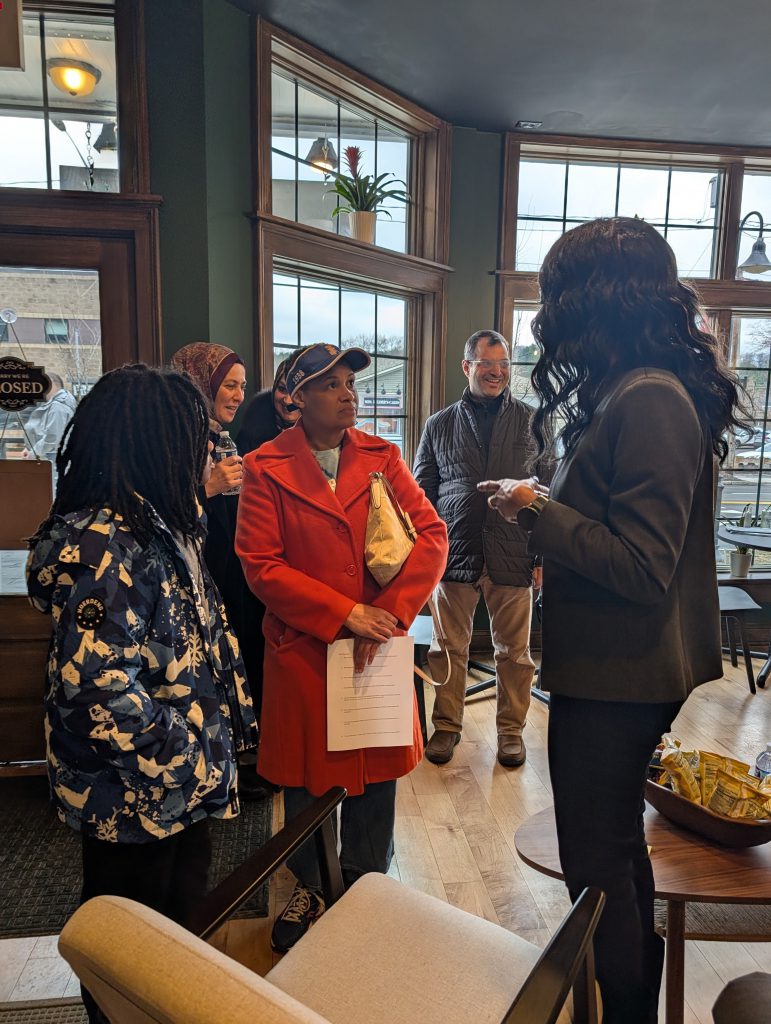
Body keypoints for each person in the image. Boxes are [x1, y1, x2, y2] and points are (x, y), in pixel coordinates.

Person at [480, 217, 742, 1024]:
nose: (547, 315)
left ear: (596, 301)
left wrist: (537, 513)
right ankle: (627, 1001)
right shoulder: (636, 387)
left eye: (557, 295)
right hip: (610, 669)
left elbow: (639, 565)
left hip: (622, 674)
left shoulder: (652, 397)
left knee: (596, 857)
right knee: (612, 847)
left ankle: (622, 1008)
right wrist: (547, 512)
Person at [26, 364, 258, 1024]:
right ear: (154, 442)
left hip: (174, 787)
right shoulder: (106, 542)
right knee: (128, 949)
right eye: (192, 436)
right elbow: (96, 688)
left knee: (176, 937)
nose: (206, 448)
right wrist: (186, 752)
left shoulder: (162, 525)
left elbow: (192, 640)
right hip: (132, 794)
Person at [235, 342, 447, 953]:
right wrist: (343, 613)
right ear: (294, 398)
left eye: (350, 381)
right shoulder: (264, 467)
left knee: (376, 774)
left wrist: (386, 612)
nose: (349, 392)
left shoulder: (384, 458)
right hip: (306, 650)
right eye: (330, 384)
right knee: (306, 779)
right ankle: (312, 886)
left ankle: (366, 882)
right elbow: (261, 565)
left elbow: (431, 536)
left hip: (376, 646)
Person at [413, 329, 542, 768]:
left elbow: (549, 493)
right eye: (487, 364)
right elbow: (420, 495)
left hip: (515, 552)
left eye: (504, 364)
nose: (497, 372)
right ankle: (446, 728)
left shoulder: (533, 421)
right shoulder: (438, 424)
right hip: (454, 553)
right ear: (467, 367)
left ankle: (511, 733)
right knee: (447, 649)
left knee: (516, 654)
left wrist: (542, 555)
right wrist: (426, 554)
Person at [170, 342, 271, 800]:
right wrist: (207, 487)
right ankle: (217, 774)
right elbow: (156, 517)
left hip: (231, 574)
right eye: (228, 385)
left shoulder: (220, 437)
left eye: (242, 386)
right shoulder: (174, 440)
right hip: (192, 582)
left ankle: (236, 764)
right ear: (200, 382)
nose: (236, 394)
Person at [236, 353, 302, 456]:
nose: (288, 401)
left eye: (297, 392)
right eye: (282, 389)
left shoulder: (327, 435)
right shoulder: (252, 428)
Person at [21, 371, 77, 462]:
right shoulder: (55, 404)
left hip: (53, 462)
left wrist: (33, 453)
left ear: (50, 383)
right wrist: (29, 448)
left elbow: (52, 438)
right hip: (52, 459)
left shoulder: (58, 406)